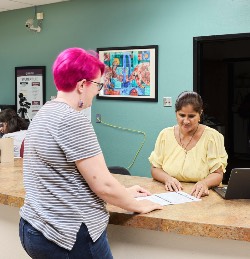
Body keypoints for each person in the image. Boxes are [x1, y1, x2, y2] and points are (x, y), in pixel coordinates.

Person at [19, 47, 162, 259]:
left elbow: (68, 176)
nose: (97, 91)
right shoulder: (72, 120)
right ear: (81, 85)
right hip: (67, 236)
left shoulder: (45, 112)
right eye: (97, 84)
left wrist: (124, 191)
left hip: (34, 227)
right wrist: (136, 205)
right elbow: (102, 185)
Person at [149, 91, 228, 199]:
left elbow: (218, 174)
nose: (186, 121)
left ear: (200, 114)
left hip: (202, 198)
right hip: (169, 194)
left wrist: (204, 183)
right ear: (176, 113)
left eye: (191, 116)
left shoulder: (212, 137)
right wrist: (167, 179)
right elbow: (155, 168)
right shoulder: (165, 135)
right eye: (182, 115)